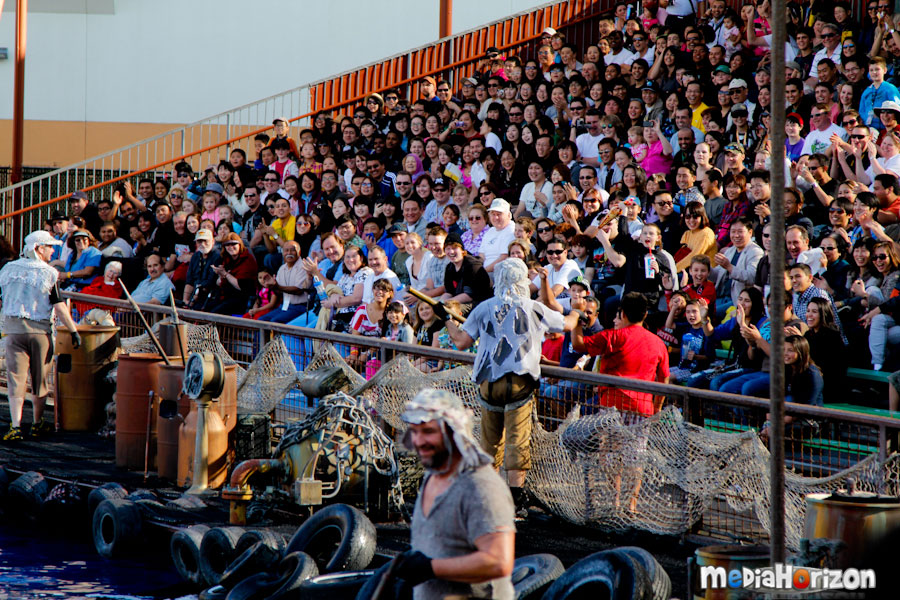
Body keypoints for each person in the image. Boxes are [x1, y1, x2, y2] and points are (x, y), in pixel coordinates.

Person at [440, 259, 579, 512]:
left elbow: (460, 341)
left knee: (489, 441)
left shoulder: (484, 307)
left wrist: (447, 320)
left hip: (488, 383)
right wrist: (577, 312)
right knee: (518, 440)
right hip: (519, 383)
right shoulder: (533, 307)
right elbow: (567, 325)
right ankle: (515, 498)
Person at [392, 388, 515, 599]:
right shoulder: (433, 474)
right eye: (415, 431)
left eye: (428, 431)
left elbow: (498, 562)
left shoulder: (480, 485)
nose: (419, 441)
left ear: (454, 433)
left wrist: (431, 568)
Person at [0, 231, 81, 440]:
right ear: (38, 248)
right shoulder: (49, 273)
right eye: (49, 246)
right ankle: (37, 423)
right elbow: (59, 305)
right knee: (40, 379)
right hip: (39, 331)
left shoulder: (8, 269)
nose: (53, 251)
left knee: (15, 378)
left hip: (14, 330)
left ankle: (15, 425)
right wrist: (73, 330)